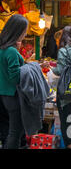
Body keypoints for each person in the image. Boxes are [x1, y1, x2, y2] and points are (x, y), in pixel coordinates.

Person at [0, 15, 28, 149]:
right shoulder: (11, 51)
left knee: (6, 132)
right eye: (24, 31)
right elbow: (15, 77)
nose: (25, 34)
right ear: (17, 31)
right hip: (12, 95)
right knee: (15, 133)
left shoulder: (2, 48)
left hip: (2, 95)